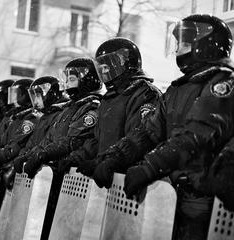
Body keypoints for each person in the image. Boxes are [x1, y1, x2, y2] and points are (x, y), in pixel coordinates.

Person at [92, 14, 234, 240]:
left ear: (207, 43)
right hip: (172, 194)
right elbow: (148, 132)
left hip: (205, 200)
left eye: (185, 42)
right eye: (178, 42)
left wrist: (149, 168)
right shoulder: (177, 89)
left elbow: (196, 135)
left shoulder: (223, 84)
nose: (178, 48)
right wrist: (114, 157)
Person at [59, 38, 162, 176]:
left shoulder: (143, 93)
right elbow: (96, 140)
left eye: (106, 67)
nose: (103, 73)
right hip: (106, 174)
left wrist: (111, 161)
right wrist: (76, 158)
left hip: (127, 177)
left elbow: (140, 137)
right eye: (100, 69)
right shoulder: (109, 98)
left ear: (124, 63)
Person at [22, 57, 103, 179]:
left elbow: (75, 140)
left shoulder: (92, 106)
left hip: (71, 175)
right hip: (55, 171)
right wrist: (29, 156)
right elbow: (49, 139)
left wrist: (46, 155)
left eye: (72, 79)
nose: (67, 84)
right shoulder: (67, 108)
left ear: (87, 80)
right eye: (67, 80)